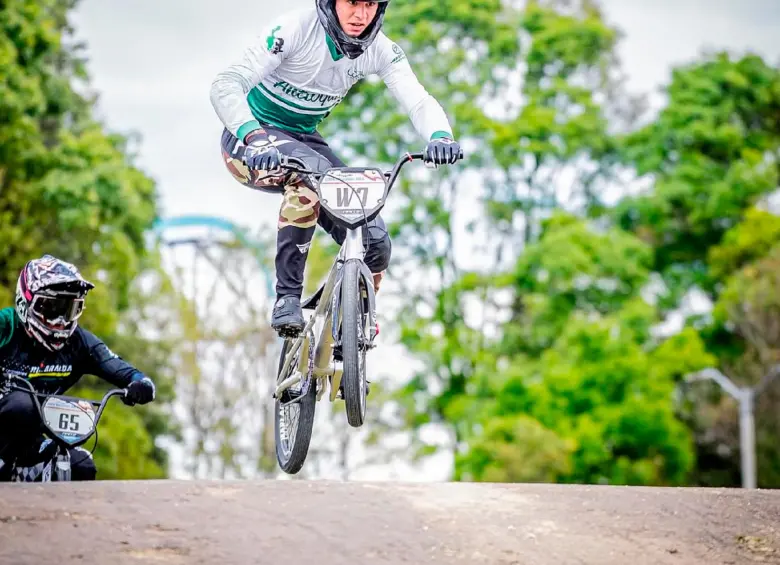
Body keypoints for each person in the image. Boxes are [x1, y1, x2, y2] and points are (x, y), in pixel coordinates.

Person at [210, 0, 463, 338]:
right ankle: (287, 298)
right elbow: (225, 84)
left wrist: (440, 135)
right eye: (352, 3)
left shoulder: (380, 50)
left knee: (375, 242)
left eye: (370, 4)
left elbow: (417, 100)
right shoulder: (294, 29)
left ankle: (354, 322)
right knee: (309, 179)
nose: (360, 15)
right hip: (249, 142)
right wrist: (252, 136)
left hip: (303, 140)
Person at [0, 254, 156, 481]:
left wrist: (141, 384)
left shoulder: (79, 342)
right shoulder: (6, 326)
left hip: (31, 440)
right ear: (26, 304)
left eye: (69, 310)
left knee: (81, 465)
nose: (61, 321)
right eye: (52, 308)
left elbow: (125, 370)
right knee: (21, 404)